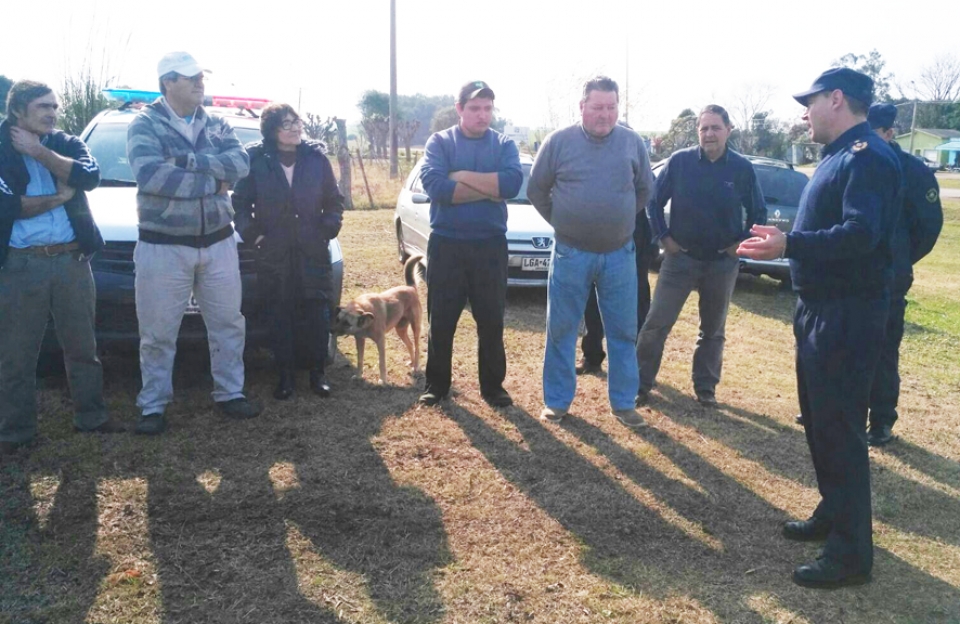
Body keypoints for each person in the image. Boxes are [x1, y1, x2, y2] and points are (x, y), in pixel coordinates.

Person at [738, 67, 901, 589]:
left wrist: (790, 245)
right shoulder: (837, 155)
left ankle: (851, 555)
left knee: (840, 428)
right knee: (819, 421)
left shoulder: (867, 157)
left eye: (810, 102)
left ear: (836, 99)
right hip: (821, 309)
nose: (804, 112)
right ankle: (834, 512)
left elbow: (861, 234)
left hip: (847, 313)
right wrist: (788, 240)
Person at [127, 51, 257, 435]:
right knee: (158, 332)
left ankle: (230, 393)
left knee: (228, 324)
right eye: (191, 77)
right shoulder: (144, 124)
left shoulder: (216, 122)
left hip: (218, 242)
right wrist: (214, 182)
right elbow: (152, 177)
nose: (200, 82)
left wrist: (186, 161)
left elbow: (241, 165)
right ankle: (153, 405)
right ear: (168, 82)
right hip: (163, 245)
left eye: (201, 76)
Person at [0, 80, 124, 456]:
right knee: (16, 353)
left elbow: (89, 177)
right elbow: (7, 207)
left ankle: (92, 416)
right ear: (17, 110)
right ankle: (15, 431)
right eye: (43, 106)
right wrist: (58, 197)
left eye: (55, 106)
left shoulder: (65, 143)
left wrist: (38, 151)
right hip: (22, 264)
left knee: (83, 346)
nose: (52, 113)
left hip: (72, 260)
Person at [527, 76, 654, 428]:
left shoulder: (632, 142)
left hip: (619, 255)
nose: (605, 114)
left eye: (611, 107)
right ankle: (557, 402)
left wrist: (619, 220)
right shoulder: (558, 142)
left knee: (623, 332)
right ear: (582, 106)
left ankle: (624, 404)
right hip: (571, 253)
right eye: (597, 107)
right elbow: (536, 189)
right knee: (562, 329)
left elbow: (645, 189)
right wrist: (564, 222)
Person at [638, 105, 766, 407]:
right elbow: (653, 201)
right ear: (698, 132)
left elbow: (758, 212)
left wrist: (740, 243)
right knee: (656, 324)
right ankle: (639, 383)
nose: (709, 134)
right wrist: (664, 237)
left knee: (713, 330)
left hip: (722, 263)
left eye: (715, 128)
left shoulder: (742, 168)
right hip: (680, 260)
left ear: (728, 130)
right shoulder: (680, 162)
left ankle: (705, 387)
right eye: (704, 128)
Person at [417, 80, 523, 408]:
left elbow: (511, 185)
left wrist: (460, 175)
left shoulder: (503, 144)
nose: (482, 115)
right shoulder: (440, 142)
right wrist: (490, 189)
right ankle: (437, 385)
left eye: (488, 108)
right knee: (442, 320)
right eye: (475, 108)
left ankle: (493, 387)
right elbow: (437, 188)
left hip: (490, 245)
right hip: (447, 244)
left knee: (491, 320)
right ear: (460, 109)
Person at [233, 103, 344, 400]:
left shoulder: (316, 159)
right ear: (272, 130)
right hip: (274, 251)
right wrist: (255, 236)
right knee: (279, 312)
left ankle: (317, 373)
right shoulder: (256, 160)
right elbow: (239, 204)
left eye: (297, 122)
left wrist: (327, 229)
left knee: (316, 311)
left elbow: (334, 200)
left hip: (312, 249)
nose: (295, 128)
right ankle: (284, 376)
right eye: (287, 123)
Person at [865, 103, 943, 446]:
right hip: (851, 274)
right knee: (842, 346)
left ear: (889, 132)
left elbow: (928, 227)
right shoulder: (855, 162)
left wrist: (900, 258)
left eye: (872, 132)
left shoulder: (913, 171)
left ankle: (882, 420)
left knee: (883, 350)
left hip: (889, 278)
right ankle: (838, 410)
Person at [576, 210, 657, 375]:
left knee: (636, 301)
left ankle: (635, 362)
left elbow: (649, 198)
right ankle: (591, 356)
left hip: (635, 230)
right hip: (600, 227)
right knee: (593, 295)